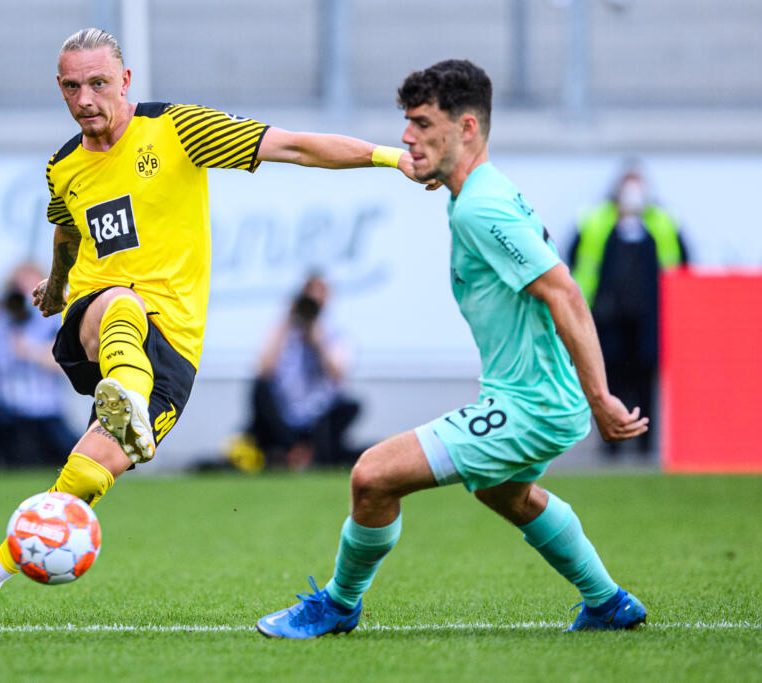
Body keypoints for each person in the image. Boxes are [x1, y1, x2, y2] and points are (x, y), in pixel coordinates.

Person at [0, 27, 428, 625]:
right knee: (120, 300)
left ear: (125, 81)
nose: (86, 100)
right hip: (100, 318)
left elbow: (297, 146)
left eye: (99, 83)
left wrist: (390, 157)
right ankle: (125, 391)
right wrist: (56, 284)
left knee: (88, 474)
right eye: (72, 87)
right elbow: (67, 228)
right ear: (61, 88)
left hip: (172, 347)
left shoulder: (178, 129)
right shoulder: (64, 166)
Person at [256, 59, 650, 639]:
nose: (408, 135)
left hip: (534, 404)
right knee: (505, 492)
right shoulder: (482, 190)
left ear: (466, 127)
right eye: (407, 123)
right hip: (532, 396)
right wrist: (415, 165)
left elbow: (563, 291)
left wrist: (601, 397)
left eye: (421, 123)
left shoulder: (480, 207)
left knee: (371, 476)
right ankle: (607, 602)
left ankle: (339, 606)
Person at [568, 165, 687, 456]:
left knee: (646, 379)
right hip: (608, 317)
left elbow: (681, 263)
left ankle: (645, 443)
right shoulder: (596, 220)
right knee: (610, 379)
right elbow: (574, 261)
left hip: (650, 318)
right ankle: (613, 443)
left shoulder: (662, 222)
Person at [0, 261, 78, 468]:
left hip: (44, 413)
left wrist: (30, 351)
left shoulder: (53, 319)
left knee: (70, 461)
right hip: (4, 414)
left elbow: (66, 362)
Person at [247, 272, 360, 470]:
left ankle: (310, 454)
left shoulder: (333, 332)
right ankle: (287, 451)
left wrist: (317, 339)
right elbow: (263, 370)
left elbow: (338, 374)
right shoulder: (284, 331)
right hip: (284, 412)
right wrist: (285, 324)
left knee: (351, 405)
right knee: (259, 390)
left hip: (318, 414)